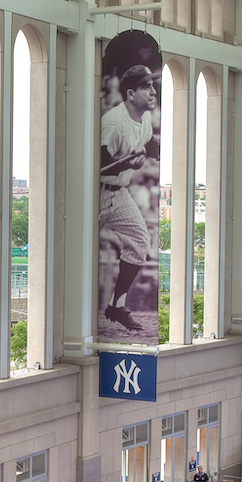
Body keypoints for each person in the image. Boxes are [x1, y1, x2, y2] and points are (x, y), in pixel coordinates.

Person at [98, 64, 159, 332]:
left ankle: (117, 306)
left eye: (153, 85)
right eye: (147, 86)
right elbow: (97, 161)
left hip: (118, 193)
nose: (153, 91)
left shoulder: (144, 118)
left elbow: (148, 144)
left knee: (140, 241)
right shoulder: (113, 122)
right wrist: (128, 165)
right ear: (131, 93)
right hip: (94, 193)